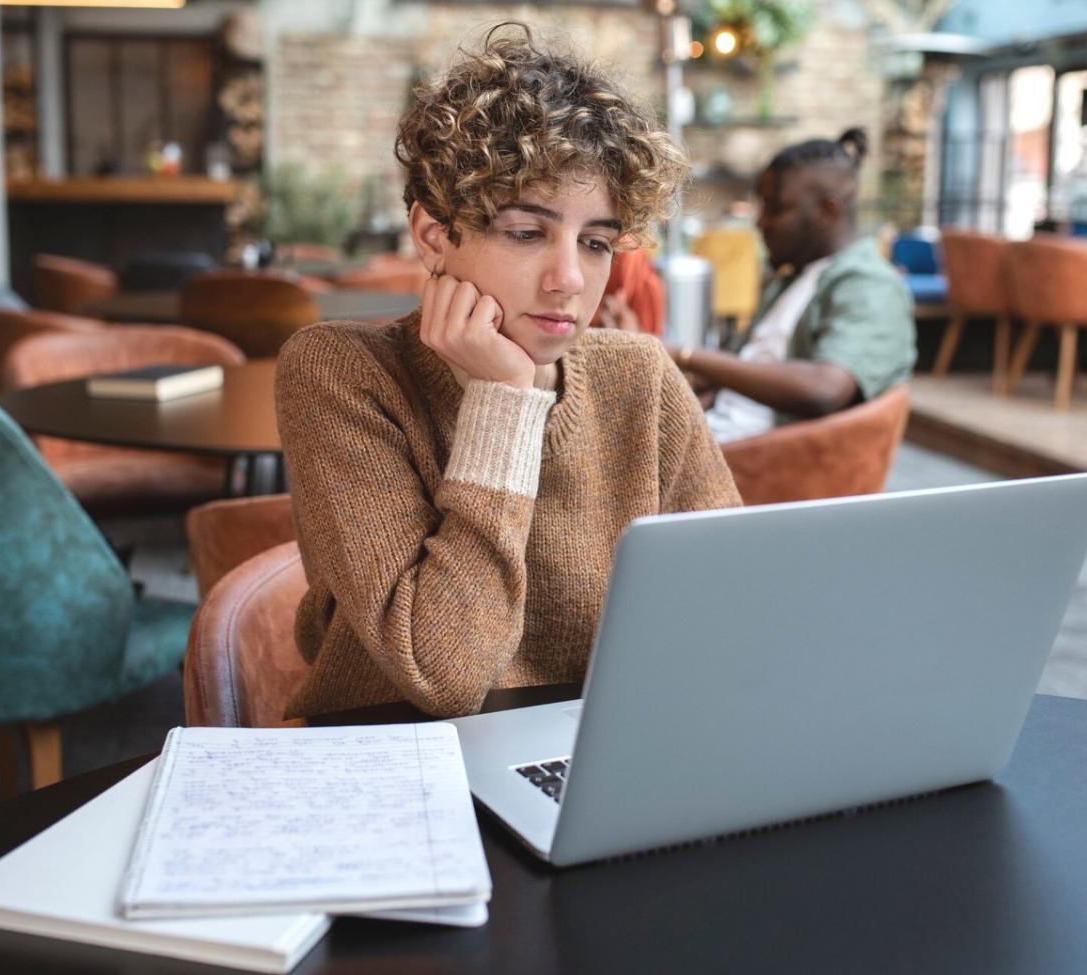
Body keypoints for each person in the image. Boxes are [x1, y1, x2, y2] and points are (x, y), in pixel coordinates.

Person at [274, 25, 741, 719]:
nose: (568, 280)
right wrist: (502, 401)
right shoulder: (341, 373)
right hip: (396, 759)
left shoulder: (639, 376)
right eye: (526, 233)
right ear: (434, 235)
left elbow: (733, 619)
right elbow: (446, 675)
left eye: (596, 242)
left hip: (596, 751)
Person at [672, 128, 916, 442]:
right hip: (717, 444)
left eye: (776, 208)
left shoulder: (870, 285)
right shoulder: (791, 279)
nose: (760, 222)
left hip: (763, 466)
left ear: (828, 210)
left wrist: (687, 354)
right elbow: (730, 376)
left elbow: (825, 389)